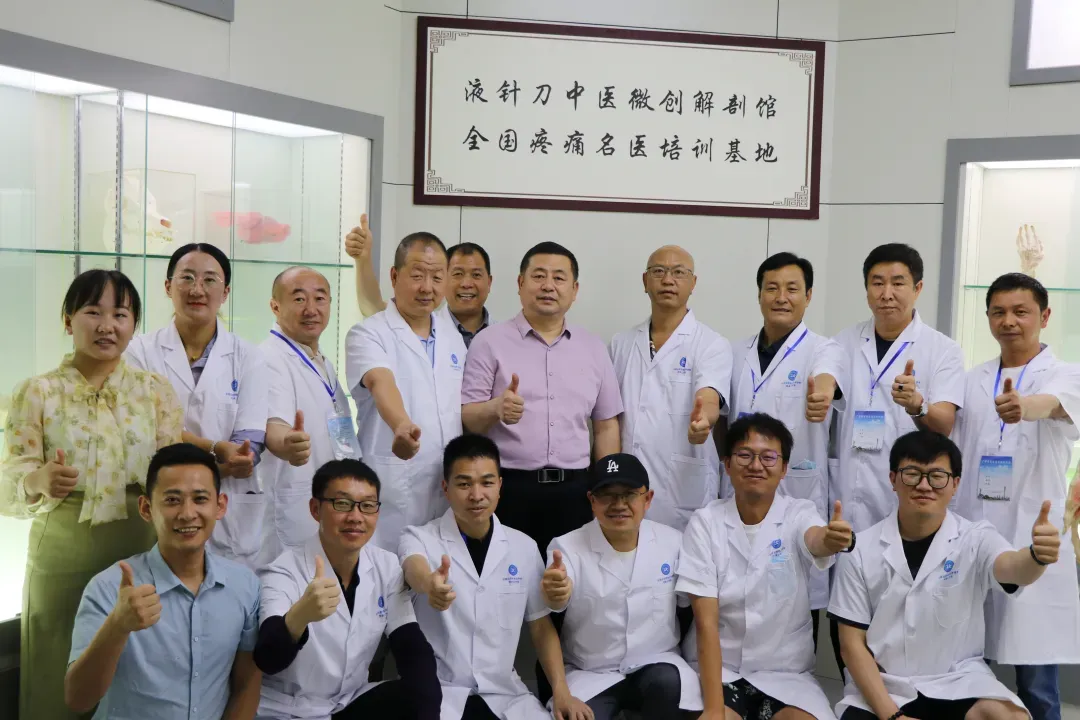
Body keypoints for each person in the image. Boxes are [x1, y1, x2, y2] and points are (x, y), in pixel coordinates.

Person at [0, 269, 184, 720]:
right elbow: (10, 477)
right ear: (68, 321)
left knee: (137, 663)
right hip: (63, 552)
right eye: (92, 312)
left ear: (134, 324)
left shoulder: (155, 391)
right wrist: (37, 481)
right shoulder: (37, 391)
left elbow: (173, 474)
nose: (107, 326)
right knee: (57, 663)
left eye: (120, 314)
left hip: (142, 546)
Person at [829, 430, 1060, 720]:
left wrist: (1037, 556)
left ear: (955, 484)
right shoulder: (860, 550)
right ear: (893, 479)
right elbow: (851, 646)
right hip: (884, 685)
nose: (924, 485)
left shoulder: (976, 538)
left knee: (1010, 716)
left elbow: (1013, 568)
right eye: (912, 474)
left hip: (957, 680)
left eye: (937, 476)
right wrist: (893, 717)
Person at [951, 273, 1080, 720]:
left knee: (1037, 680)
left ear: (1045, 316)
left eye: (1020, 312)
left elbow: (1054, 405)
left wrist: (1025, 407)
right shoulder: (973, 379)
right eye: (999, 312)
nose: (1009, 321)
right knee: (968, 667)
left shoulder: (1065, 374)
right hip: (976, 531)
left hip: (1032, 533)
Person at [830, 243, 965, 668]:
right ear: (866, 289)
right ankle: (857, 693)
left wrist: (918, 405)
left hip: (908, 498)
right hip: (848, 496)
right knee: (848, 612)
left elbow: (945, 423)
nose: (886, 293)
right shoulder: (843, 341)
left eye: (898, 283)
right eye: (877, 283)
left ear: (918, 288)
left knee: (901, 614)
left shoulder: (941, 349)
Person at [398, 433, 592, 719]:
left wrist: (561, 690)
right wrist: (429, 585)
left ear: (500, 486)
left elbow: (540, 627)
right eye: (464, 484)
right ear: (446, 488)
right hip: (441, 693)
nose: (477, 495)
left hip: (504, 695)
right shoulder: (419, 538)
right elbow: (413, 567)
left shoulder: (523, 547)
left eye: (487, 482)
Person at [65, 443, 262, 719]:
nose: (187, 513)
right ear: (146, 508)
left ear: (220, 506)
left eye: (200, 499)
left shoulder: (245, 585)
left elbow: (247, 684)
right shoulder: (108, 588)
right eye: (172, 500)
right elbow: (77, 699)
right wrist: (117, 627)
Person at [677, 412, 849, 720]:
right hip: (719, 670)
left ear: (784, 468)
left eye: (768, 457)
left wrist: (830, 539)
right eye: (744, 455)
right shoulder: (705, 522)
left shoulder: (799, 513)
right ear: (727, 464)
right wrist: (714, 710)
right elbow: (705, 623)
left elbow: (815, 539)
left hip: (786, 673)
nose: (756, 465)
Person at [461, 241, 623, 557]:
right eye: (538, 276)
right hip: (508, 489)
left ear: (575, 290)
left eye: (559, 278)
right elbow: (468, 418)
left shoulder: (592, 348)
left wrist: (607, 487)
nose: (548, 285)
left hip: (576, 491)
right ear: (520, 283)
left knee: (571, 578)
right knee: (508, 578)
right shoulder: (489, 342)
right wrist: (495, 408)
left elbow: (606, 425)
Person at [253, 458, 441, 719]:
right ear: (315, 509)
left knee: (417, 692)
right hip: (289, 710)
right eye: (342, 504)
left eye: (367, 505)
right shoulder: (282, 572)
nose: (355, 517)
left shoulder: (386, 566)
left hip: (347, 702)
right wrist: (299, 618)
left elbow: (411, 646)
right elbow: (268, 659)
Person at [125, 243, 271, 567]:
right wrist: (218, 454)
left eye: (209, 280)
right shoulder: (138, 352)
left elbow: (249, 442)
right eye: (187, 278)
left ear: (225, 291)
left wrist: (239, 458)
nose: (197, 290)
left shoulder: (248, 356)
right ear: (168, 286)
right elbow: (145, 434)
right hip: (162, 508)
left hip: (229, 514)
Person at [723, 252, 847, 622]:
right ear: (759, 295)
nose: (781, 297)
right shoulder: (734, 351)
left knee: (794, 599)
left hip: (796, 489)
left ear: (808, 296)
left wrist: (821, 396)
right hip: (741, 489)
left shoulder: (823, 348)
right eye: (771, 288)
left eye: (792, 289)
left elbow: (826, 379)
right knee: (737, 596)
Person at [542, 452, 703, 719]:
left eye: (629, 494)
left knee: (671, 686)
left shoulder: (673, 543)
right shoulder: (566, 547)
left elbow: (694, 606)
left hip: (657, 663)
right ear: (592, 501)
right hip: (591, 672)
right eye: (607, 495)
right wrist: (557, 594)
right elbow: (556, 599)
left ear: (647, 499)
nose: (619, 504)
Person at [345, 232, 467, 550]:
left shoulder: (453, 337)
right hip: (393, 488)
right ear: (394, 276)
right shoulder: (368, 333)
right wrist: (400, 424)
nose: (427, 287)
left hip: (443, 488)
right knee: (387, 572)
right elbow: (381, 381)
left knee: (438, 573)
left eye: (437, 277)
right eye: (417, 275)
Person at [608, 245, 731, 532]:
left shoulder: (711, 343)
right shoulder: (620, 344)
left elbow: (709, 395)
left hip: (682, 490)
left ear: (693, 283)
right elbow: (609, 416)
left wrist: (704, 420)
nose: (667, 280)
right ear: (645, 281)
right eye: (658, 271)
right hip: (627, 488)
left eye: (678, 272)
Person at [259, 266, 356, 565]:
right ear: (275, 306)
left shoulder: (320, 359)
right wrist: (287, 444)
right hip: (295, 506)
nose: (311, 309)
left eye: (320, 299)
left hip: (326, 499)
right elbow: (275, 427)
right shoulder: (270, 358)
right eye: (299, 299)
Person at [344, 215, 494, 347]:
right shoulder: (415, 317)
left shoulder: (500, 334)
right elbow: (371, 305)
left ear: (489, 282)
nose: (466, 284)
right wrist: (363, 260)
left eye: (476, 275)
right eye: (458, 274)